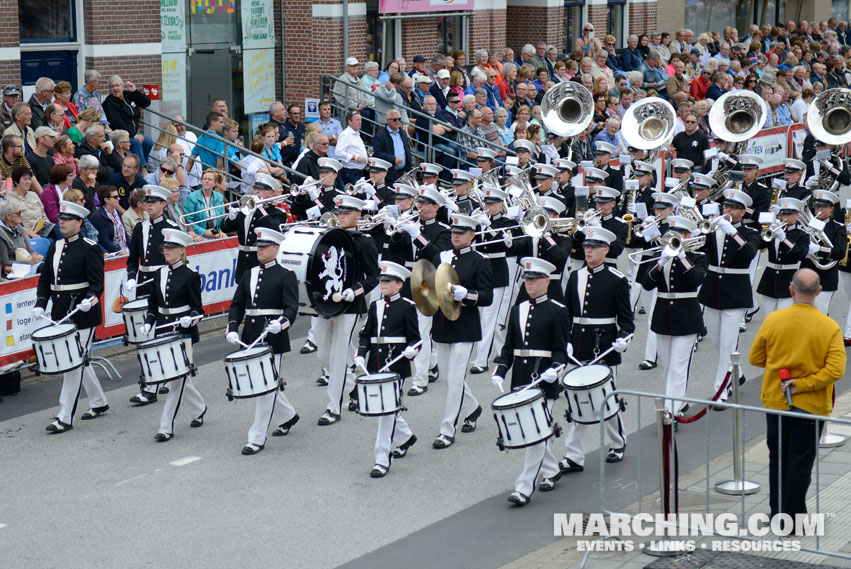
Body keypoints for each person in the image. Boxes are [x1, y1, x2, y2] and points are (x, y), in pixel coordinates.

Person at [750, 268, 846, 519]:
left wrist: (780, 363)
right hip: (812, 404)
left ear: (791, 289)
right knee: (801, 462)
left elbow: (755, 358)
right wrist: (802, 384)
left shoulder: (773, 320)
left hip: (776, 400)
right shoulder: (829, 326)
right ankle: (794, 517)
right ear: (819, 292)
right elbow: (836, 370)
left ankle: (777, 513)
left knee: (778, 460)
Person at [491, 257, 569, 506]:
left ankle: (524, 487)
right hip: (521, 381)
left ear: (547, 281)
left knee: (535, 434)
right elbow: (509, 347)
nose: (529, 283)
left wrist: (556, 370)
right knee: (535, 432)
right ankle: (552, 470)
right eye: (526, 278)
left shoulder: (558, 310)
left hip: (544, 380)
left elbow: (560, 350)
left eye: (534, 279)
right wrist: (500, 371)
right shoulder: (518, 309)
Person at [561, 226, 634, 471]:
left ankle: (618, 441)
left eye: (593, 247)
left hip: (604, 347)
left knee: (607, 400)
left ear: (605, 250)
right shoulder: (575, 277)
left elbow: (627, 322)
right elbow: (567, 314)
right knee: (577, 401)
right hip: (579, 346)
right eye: (586, 247)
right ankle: (573, 455)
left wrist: (624, 339)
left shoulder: (617, 280)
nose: (588, 251)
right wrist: (566, 340)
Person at [33, 200, 108, 433]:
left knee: (72, 364)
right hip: (60, 313)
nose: (61, 222)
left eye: (66, 219)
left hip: (83, 313)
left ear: (79, 222)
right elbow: (46, 279)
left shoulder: (90, 247)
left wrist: (90, 299)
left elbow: (97, 284)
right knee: (79, 361)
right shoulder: (55, 246)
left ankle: (65, 416)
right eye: (61, 219)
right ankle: (99, 401)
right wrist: (40, 303)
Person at [226, 227, 301, 455]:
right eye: (258, 246)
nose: (259, 250)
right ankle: (287, 416)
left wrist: (283, 322)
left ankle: (256, 437)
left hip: (273, 336)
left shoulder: (286, 274)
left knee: (265, 388)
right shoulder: (249, 274)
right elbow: (238, 304)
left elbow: (291, 308)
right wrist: (232, 327)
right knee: (263, 384)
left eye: (264, 247)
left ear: (276, 249)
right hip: (250, 335)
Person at [430, 214, 493, 449]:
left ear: (472, 235)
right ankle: (473, 407)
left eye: (461, 232)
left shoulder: (480, 260)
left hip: (465, 326)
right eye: (454, 232)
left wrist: (466, 295)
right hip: (442, 325)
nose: (455, 236)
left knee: (455, 379)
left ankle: (447, 430)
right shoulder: (441, 257)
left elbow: (487, 296)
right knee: (448, 377)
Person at [314, 195, 379, 425]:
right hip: (324, 303)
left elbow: (374, 277)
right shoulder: (327, 237)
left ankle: (334, 406)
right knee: (323, 353)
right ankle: (351, 388)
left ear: (358, 215)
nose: (341, 216)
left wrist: (356, 290)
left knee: (339, 354)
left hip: (350, 304)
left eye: (346, 213)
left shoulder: (364, 241)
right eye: (339, 212)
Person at [353, 260, 420, 478]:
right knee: (387, 409)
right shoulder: (376, 306)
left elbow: (415, 339)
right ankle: (406, 436)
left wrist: (412, 351)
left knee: (385, 412)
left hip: (397, 366)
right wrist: (361, 353)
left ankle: (382, 458)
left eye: (388, 280)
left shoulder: (408, 307)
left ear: (399, 284)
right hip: (376, 365)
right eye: (382, 280)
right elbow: (366, 335)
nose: (383, 283)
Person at [141, 228, 206, 442]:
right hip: (163, 329)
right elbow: (153, 304)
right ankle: (199, 408)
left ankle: (165, 426)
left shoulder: (191, 275)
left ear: (182, 251)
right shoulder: (159, 273)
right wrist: (149, 323)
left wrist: (191, 318)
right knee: (181, 377)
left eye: (171, 248)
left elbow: (199, 309)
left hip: (183, 333)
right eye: (165, 247)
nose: (166, 251)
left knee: (176, 380)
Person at [640, 215, 707, 417]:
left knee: (678, 366)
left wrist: (681, 256)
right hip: (663, 315)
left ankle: (671, 411)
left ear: (687, 236)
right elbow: (647, 283)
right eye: (671, 234)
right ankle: (680, 401)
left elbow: (696, 279)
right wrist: (661, 262)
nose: (673, 239)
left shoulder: (698, 256)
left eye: (679, 235)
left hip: (687, 315)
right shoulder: (662, 256)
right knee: (668, 366)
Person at [698, 189, 759, 401]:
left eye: (732, 208)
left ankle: (721, 389)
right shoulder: (715, 229)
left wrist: (733, 233)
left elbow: (750, 253)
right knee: (717, 341)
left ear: (742, 212)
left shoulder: (750, 232)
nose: (727, 211)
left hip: (735, 292)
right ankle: (737, 373)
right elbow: (699, 250)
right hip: (713, 289)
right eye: (726, 207)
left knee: (726, 344)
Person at [125, 185, 181, 405]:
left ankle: (160, 380)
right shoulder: (140, 228)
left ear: (163, 205)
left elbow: (178, 261)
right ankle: (150, 383)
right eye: (147, 202)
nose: (149, 205)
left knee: (163, 331)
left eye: (154, 202)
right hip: (143, 283)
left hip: (163, 282)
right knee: (145, 334)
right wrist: (132, 276)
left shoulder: (171, 228)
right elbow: (133, 258)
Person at [221, 173, 283, 282]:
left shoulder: (277, 212)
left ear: (271, 193)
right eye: (256, 188)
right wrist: (231, 216)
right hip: (243, 259)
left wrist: (260, 209)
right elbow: (225, 229)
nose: (257, 192)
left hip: (261, 259)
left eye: (262, 189)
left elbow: (274, 227)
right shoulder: (246, 209)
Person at [102, 76, 153, 167]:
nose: (115, 88)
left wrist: (135, 91)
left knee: (148, 142)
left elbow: (147, 102)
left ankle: (143, 165)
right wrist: (133, 135)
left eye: (117, 85)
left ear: (122, 86)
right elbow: (116, 122)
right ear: (110, 89)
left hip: (133, 132)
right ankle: (140, 168)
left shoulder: (128, 95)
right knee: (136, 142)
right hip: (120, 134)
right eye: (112, 86)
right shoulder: (109, 102)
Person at [6, 165, 50, 237]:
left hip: (42, 232)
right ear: (16, 182)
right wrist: (29, 233)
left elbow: (43, 214)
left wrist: (47, 227)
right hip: (24, 235)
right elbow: (13, 223)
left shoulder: (33, 195)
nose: (28, 182)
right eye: (25, 179)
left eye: (29, 179)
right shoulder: (9, 199)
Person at [0, 200, 42, 274]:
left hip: (29, 266)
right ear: (9, 216)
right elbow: (5, 262)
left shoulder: (18, 227)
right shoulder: (1, 234)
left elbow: (30, 250)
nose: (21, 215)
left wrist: (36, 257)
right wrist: (30, 262)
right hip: (14, 271)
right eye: (18, 213)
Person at [183, 169, 225, 239]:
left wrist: (222, 232)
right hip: (199, 236)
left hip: (217, 234)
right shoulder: (191, 198)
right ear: (201, 181)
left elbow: (223, 219)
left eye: (210, 179)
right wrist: (204, 232)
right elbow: (188, 221)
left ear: (215, 183)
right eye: (204, 179)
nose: (206, 181)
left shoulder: (219, 197)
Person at [90, 185, 129, 254]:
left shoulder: (117, 213)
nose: (119, 199)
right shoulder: (98, 216)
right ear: (106, 200)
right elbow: (105, 241)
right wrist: (119, 251)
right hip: (112, 254)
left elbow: (125, 234)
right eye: (115, 197)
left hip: (125, 250)